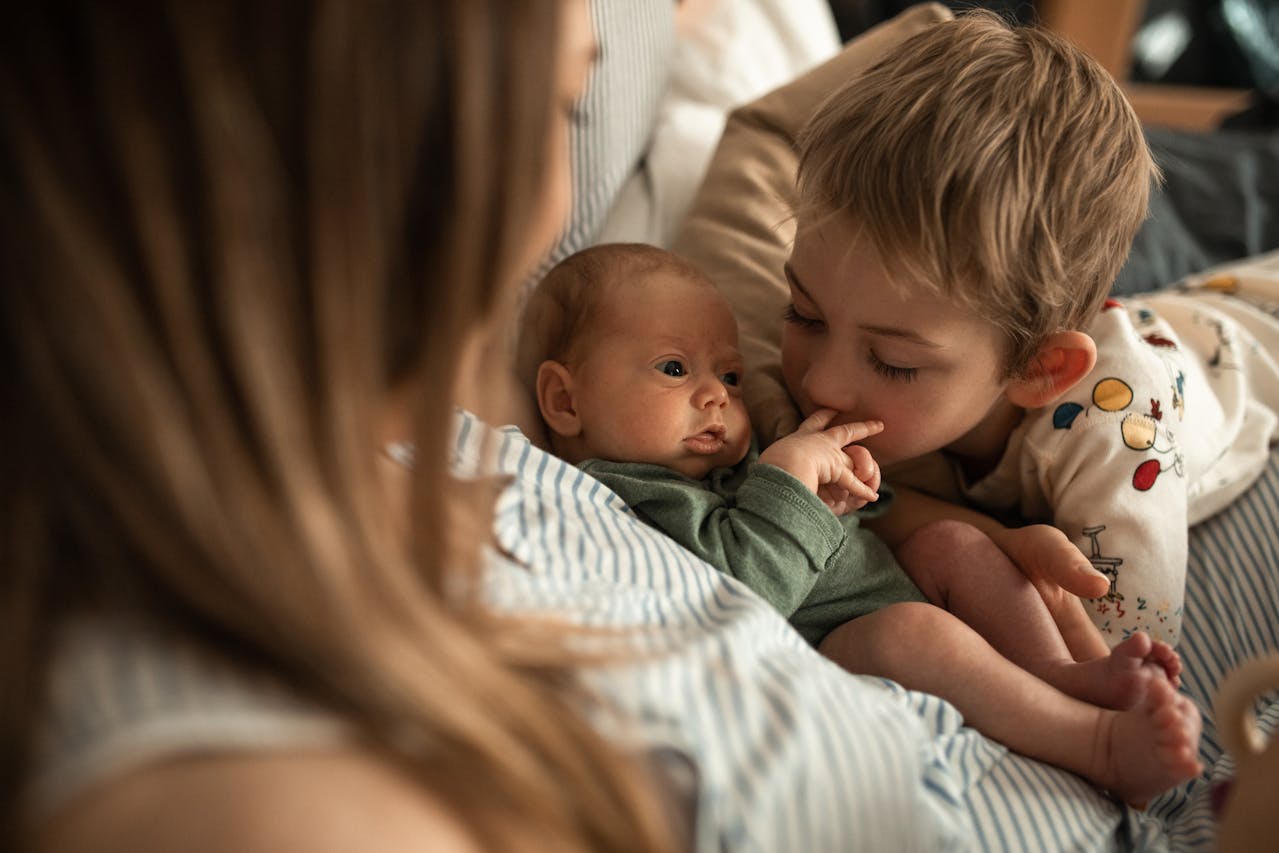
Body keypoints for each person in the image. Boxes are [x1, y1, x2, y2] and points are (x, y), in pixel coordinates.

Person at [0, 2, 682, 851]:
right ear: (383, 159)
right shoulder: (299, 817)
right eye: (563, 106)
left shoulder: (291, 536)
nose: (562, 201)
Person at [678, 9, 1279, 653]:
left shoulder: (1120, 437)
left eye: (892, 360)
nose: (820, 379)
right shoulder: (919, 372)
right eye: (805, 314)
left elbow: (1124, 654)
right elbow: (890, 510)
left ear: (1039, 371)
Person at [520, 240, 1203, 805]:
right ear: (563, 399)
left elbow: (860, 526)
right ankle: (1095, 745)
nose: (716, 396)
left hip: (882, 583)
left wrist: (848, 492)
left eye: (728, 376)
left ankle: (1058, 674)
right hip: (833, 640)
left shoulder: (721, 458)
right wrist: (788, 483)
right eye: (673, 369)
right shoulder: (629, 497)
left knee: (952, 542)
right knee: (912, 633)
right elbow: (745, 590)